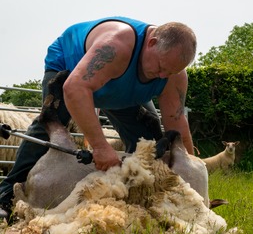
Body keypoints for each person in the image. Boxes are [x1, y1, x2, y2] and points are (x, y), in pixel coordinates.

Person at [0, 16, 197, 222]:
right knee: (51, 124)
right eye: (160, 66)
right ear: (152, 43)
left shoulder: (173, 75)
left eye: (170, 72)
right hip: (70, 71)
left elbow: (177, 122)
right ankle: (6, 197)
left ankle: (131, 201)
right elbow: (74, 88)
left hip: (120, 89)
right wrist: (101, 147)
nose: (162, 75)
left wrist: (191, 175)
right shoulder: (116, 44)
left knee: (150, 144)